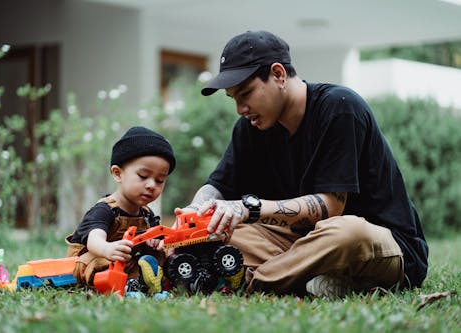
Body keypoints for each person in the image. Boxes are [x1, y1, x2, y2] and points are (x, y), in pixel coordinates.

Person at [179, 30, 428, 298]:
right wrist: (195, 215)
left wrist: (247, 208)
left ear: (278, 74)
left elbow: (332, 208)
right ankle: (315, 279)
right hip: (301, 244)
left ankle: (256, 283)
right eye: (234, 99)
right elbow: (218, 185)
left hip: (375, 245)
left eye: (246, 93)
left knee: (347, 231)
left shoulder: (340, 107)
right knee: (222, 232)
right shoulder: (250, 128)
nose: (240, 108)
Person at [66, 126, 176, 297]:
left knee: (160, 254)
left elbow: (159, 237)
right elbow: (94, 238)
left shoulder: (147, 215)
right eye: (143, 176)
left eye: (160, 180)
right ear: (118, 174)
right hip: (95, 260)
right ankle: (118, 287)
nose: (152, 185)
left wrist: (155, 241)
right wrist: (107, 249)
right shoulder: (104, 210)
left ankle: (144, 283)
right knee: (97, 261)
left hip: (127, 264)